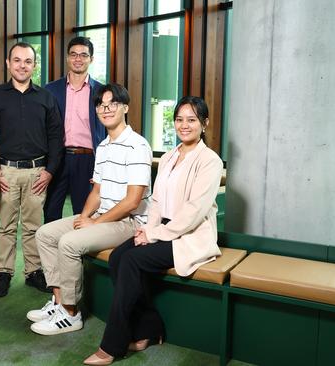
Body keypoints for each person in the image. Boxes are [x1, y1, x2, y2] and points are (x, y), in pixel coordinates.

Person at [83, 96, 223, 365]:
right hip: (162, 228)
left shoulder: (210, 161)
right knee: (117, 257)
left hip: (190, 236)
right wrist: (148, 228)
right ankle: (150, 327)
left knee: (133, 260)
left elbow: (193, 213)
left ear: (204, 124)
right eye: (179, 119)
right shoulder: (170, 156)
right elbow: (156, 201)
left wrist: (154, 234)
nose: (184, 125)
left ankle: (111, 346)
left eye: (192, 120)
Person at [27, 83, 152, 336]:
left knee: (69, 243)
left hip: (130, 222)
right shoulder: (104, 146)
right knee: (45, 234)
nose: (106, 109)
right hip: (103, 216)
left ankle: (71, 314)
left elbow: (132, 201)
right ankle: (60, 301)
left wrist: (95, 223)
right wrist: (84, 217)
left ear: (125, 107)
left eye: (112, 104)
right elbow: (96, 191)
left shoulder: (138, 146)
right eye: (101, 105)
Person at [0, 42, 64, 297]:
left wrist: (50, 171)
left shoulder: (45, 98)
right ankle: (3, 273)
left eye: (28, 61)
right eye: (17, 60)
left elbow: (56, 137)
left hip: (36, 173)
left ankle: (33, 272)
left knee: (33, 226)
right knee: (6, 226)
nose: (22, 65)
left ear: (34, 65)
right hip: (6, 172)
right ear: (8, 64)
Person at [44, 36, 106, 223]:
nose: (78, 59)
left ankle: (76, 252)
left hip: (87, 159)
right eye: (73, 54)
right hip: (57, 158)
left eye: (83, 55)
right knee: (51, 211)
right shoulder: (50, 90)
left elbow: (108, 130)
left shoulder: (102, 92)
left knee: (83, 213)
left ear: (91, 59)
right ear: (67, 58)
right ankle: (51, 251)